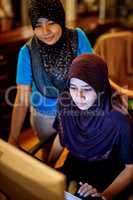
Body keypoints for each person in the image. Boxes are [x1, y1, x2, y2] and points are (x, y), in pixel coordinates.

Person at [48, 54, 133, 200]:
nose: (78, 96)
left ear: (100, 86)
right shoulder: (65, 103)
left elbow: (130, 167)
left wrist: (105, 195)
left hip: (108, 172)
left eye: (87, 89)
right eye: (73, 87)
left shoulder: (120, 120)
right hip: (75, 165)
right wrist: (47, 167)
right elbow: (62, 137)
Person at [8, 0, 93, 146]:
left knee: (76, 154)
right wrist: (14, 138)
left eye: (51, 23)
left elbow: (93, 72)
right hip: (44, 117)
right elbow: (22, 98)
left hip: (76, 111)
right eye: (38, 25)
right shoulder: (26, 52)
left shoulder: (77, 37)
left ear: (60, 19)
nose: (45, 31)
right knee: (47, 157)